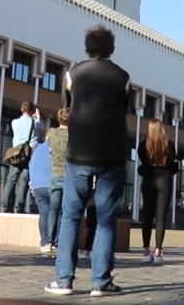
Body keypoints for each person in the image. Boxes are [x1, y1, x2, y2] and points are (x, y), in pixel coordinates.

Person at [45, 25, 130, 296]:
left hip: (79, 151)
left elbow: (66, 102)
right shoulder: (123, 77)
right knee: (105, 219)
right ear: (111, 49)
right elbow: (123, 106)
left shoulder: (72, 73)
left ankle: (63, 281)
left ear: (87, 48)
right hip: (112, 155)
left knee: (70, 216)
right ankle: (101, 282)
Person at [137, 118, 178, 264]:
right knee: (160, 217)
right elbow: (173, 163)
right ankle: (158, 252)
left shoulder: (143, 145)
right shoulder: (169, 145)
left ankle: (146, 252)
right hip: (165, 181)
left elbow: (142, 160)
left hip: (148, 180)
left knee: (147, 216)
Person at [1, 101, 43, 213]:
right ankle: (17, 208)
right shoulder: (35, 123)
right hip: (28, 155)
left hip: (16, 155)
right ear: (32, 111)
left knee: (11, 180)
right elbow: (42, 129)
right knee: (24, 181)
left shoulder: (14, 122)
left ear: (21, 109)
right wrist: (38, 117)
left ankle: (3, 206)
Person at [47, 109, 70, 250]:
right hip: (68, 174)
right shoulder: (73, 135)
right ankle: (60, 241)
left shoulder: (51, 133)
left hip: (54, 173)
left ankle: (49, 241)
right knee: (65, 210)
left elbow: (50, 151)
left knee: (53, 209)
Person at [29, 131, 54, 253]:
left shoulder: (37, 149)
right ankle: (54, 241)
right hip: (51, 184)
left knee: (44, 214)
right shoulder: (55, 147)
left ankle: (44, 243)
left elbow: (30, 166)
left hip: (37, 186)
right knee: (57, 212)